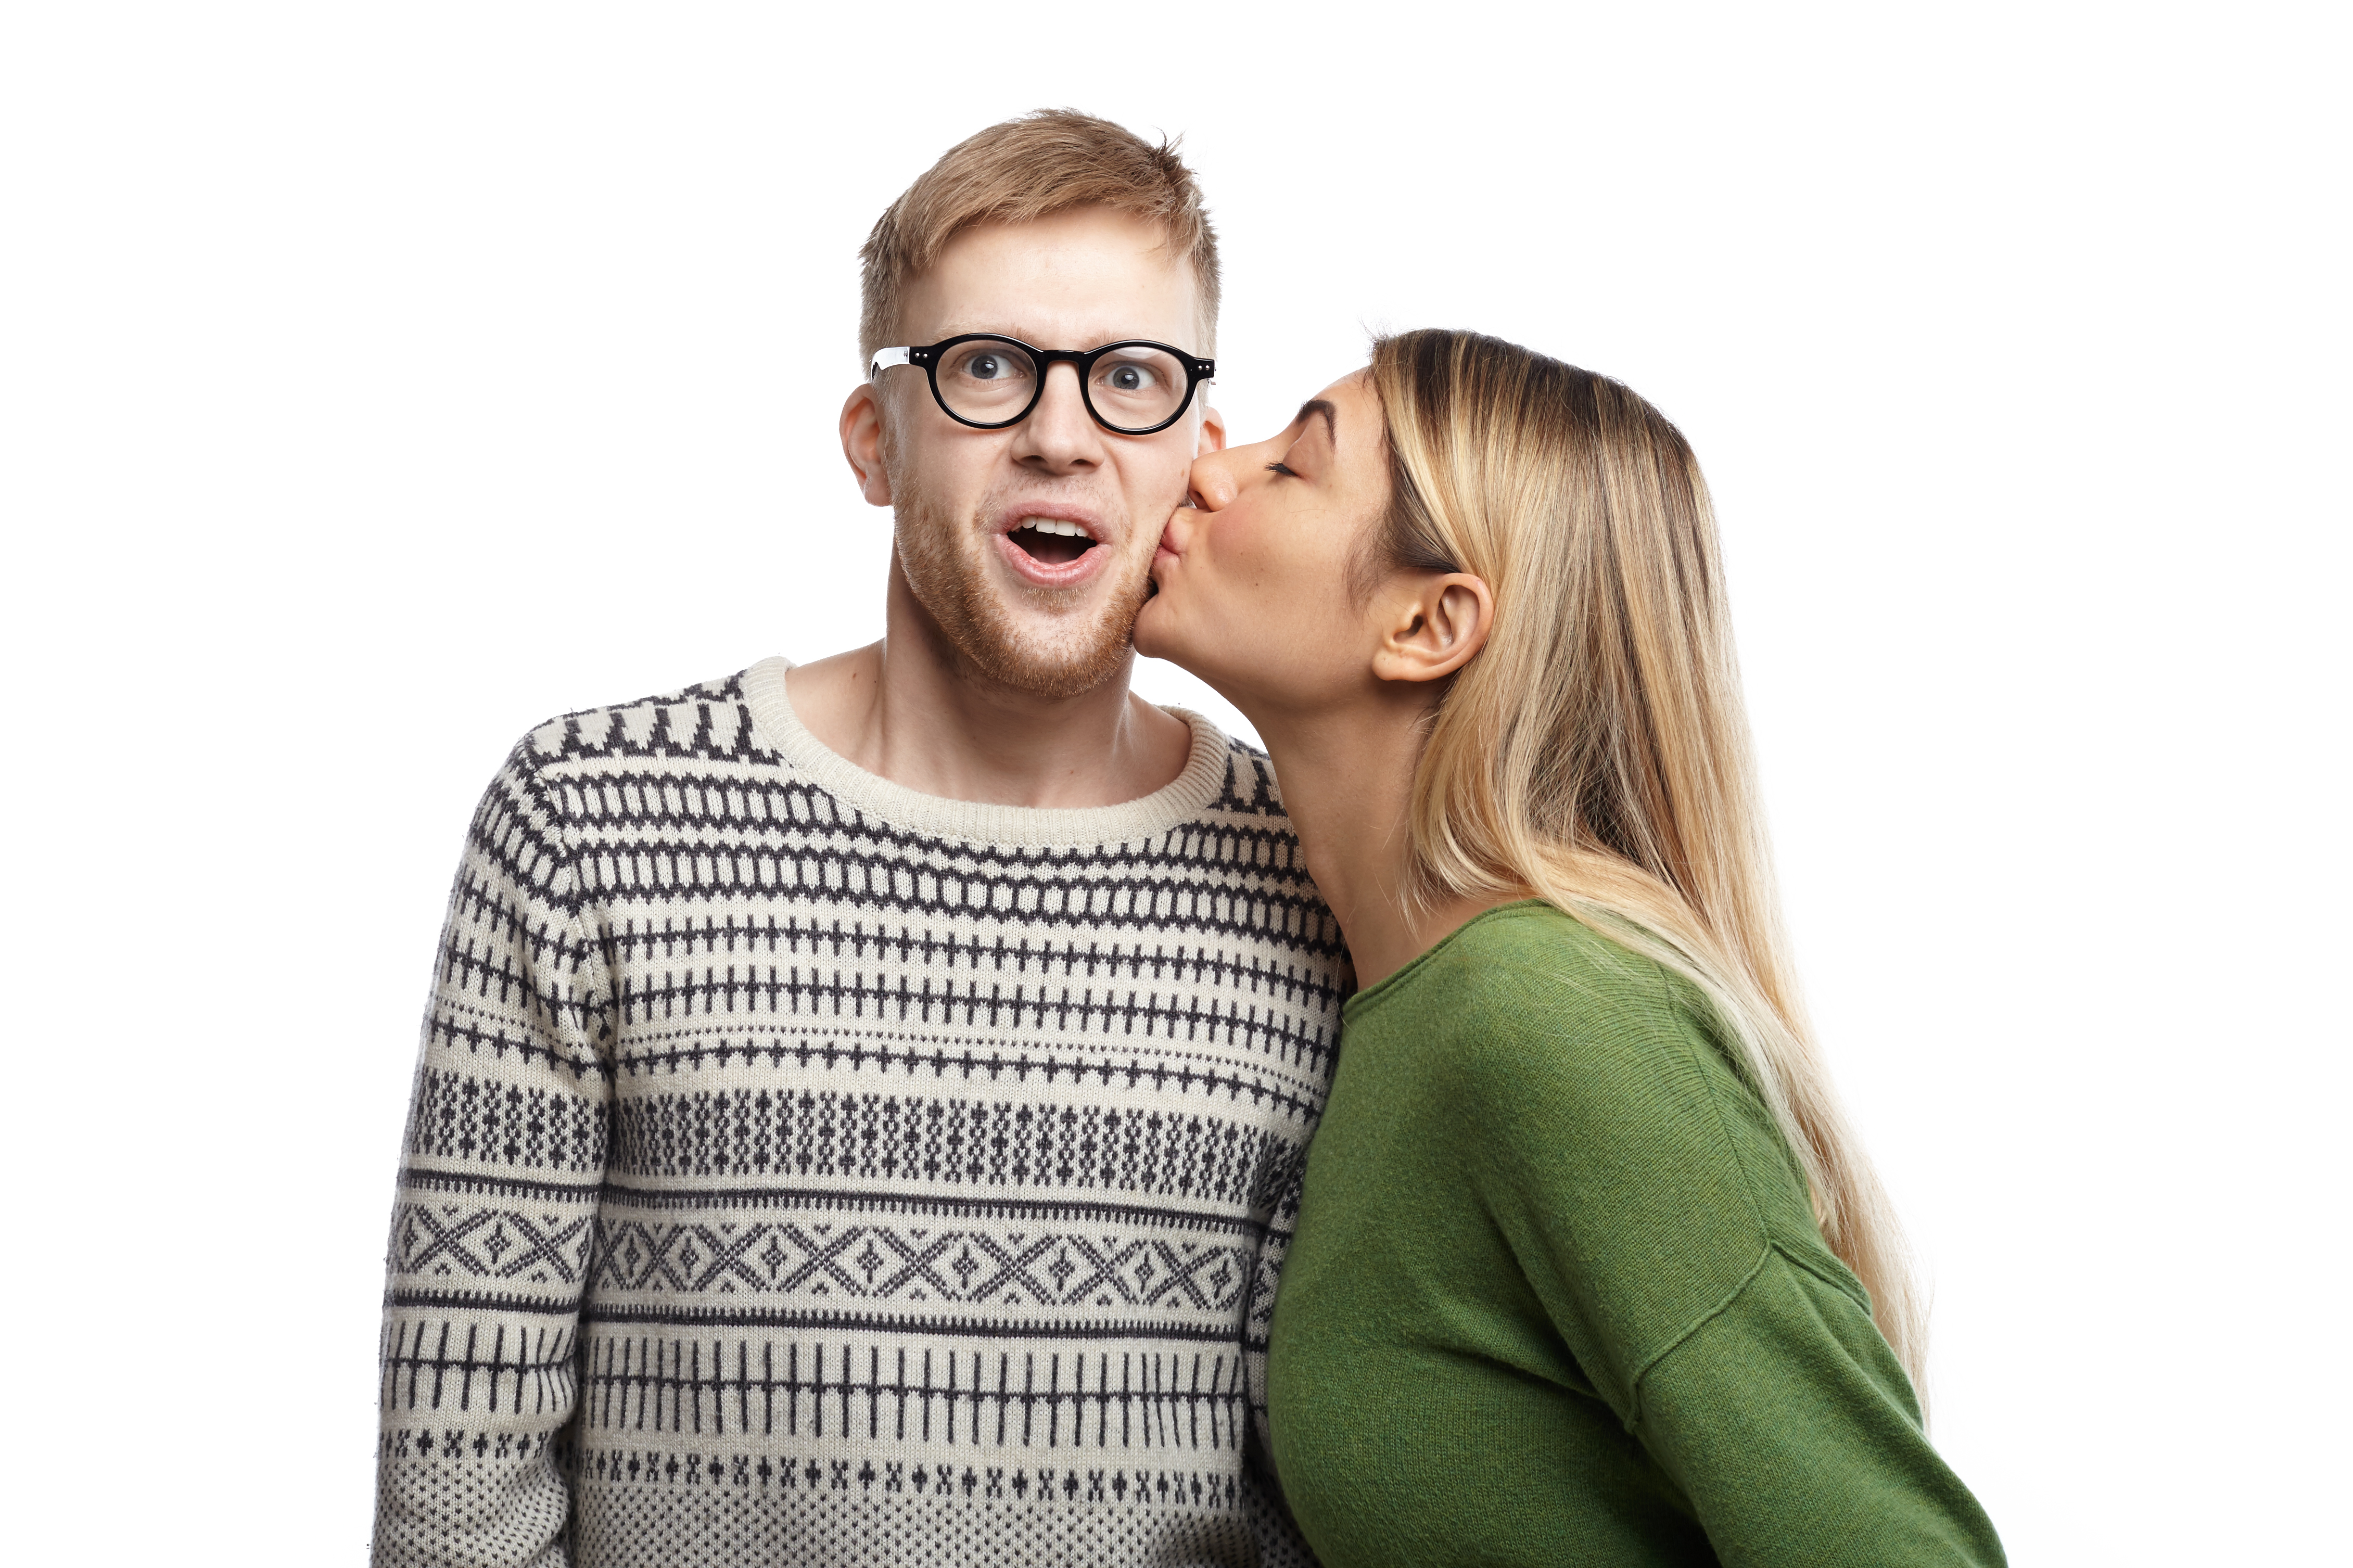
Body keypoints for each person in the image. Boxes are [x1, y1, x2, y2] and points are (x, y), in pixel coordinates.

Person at [372, 110, 1348, 1567]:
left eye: (1130, 378)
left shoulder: (1315, 868)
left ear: (1199, 459)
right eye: (987, 367)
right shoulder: (590, 821)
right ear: (872, 439)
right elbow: (461, 1477)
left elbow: (1315, 1487)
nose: (1062, 433)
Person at [1134, 328, 2006, 1565]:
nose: (1215, 465)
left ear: (1428, 623)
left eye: (1292, 465)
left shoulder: (1547, 1015)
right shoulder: (1394, 998)